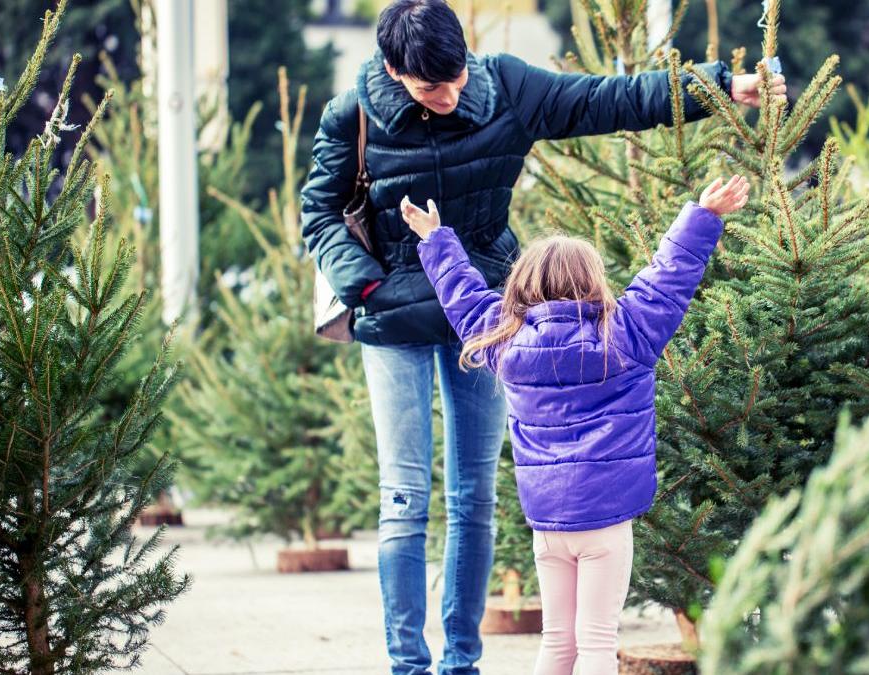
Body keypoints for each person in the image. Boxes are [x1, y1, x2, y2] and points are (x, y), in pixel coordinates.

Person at [299, 0, 785, 670]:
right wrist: (370, 284)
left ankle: (461, 659)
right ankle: (408, 663)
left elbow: (607, 101)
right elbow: (318, 211)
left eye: (457, 76)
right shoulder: (351, 114)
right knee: (405, 496)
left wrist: (720, 86)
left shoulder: (503, 87)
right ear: (394, 71)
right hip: (396, 316)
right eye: (430, 87)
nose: (451, 94)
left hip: (493, 316)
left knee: (475, 495)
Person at [402, 175, 750, 675]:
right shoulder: (626, 335)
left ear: (522, 286)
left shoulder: (506, 343)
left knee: (558, 640)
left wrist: (436, 240)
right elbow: (667, 277)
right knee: (596, 642)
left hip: (548, 522)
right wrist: (703, 215)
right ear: (593, 281)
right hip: (607, 520)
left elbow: (465, 298)